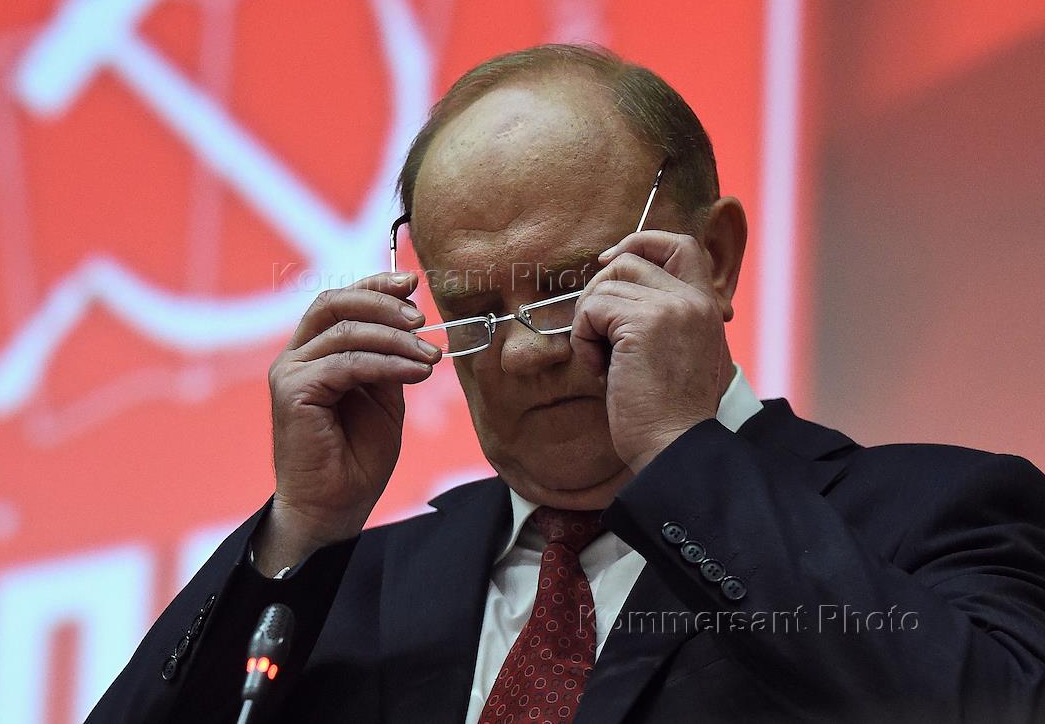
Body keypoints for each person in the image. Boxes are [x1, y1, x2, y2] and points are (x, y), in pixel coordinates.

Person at [87, 44, 1045, 723]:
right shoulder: (351, 589)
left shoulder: (931, 514)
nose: (521, 353)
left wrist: (680, 457)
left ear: (714, 258)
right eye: (473, 306)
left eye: (569, 289)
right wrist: (302, 528)